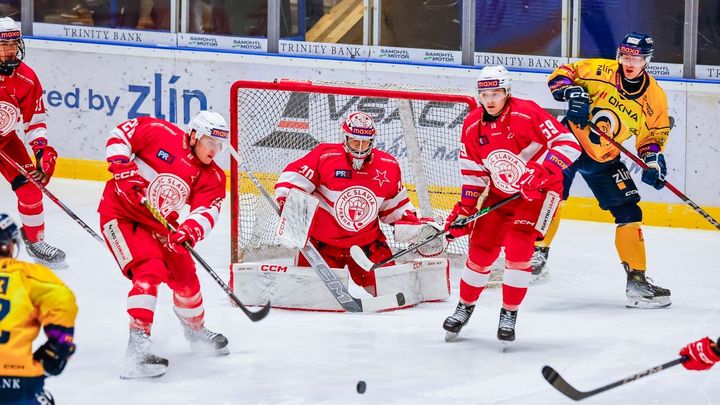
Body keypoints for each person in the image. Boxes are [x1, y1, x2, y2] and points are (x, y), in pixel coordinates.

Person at [442, 65, 581, 344]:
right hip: (500, 195)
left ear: (507, 92)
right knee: (480, 250)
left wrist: (540, 173)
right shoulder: (471, 125)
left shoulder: (526, 112)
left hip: (538, 194)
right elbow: (474, 174)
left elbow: (568, 144)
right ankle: (464, 307)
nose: (490, 99)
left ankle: (509, 313)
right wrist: (465, 213)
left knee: (519, 246)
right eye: (485, 93)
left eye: (496, 92)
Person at [536, 32, 672, 308]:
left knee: (630, 211)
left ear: (647, 60)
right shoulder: (599, 70)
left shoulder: (654, 97)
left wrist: (653, 162)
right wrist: (570, 91)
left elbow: (651, 139)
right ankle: (536, 254)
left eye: (636, 58)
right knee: (552, 194)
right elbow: (562, 73)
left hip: (605, 157)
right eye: (625, 56)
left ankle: (636, 281)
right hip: (569, 144)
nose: (629, 62)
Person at [97, 111, 231, 379]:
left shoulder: (213, 175)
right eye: (210, 142)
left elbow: (207, 210)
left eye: (220, 145)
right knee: (149, 271)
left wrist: (190, 228)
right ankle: (138, 349)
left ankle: (194, 329)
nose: (215, 151)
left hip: (161, 224)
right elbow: (120, 134)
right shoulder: (157, 131)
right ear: (193, 135)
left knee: (186, 279)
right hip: (120, 214)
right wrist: (122, 166)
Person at [274, 111, 441, 297]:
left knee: (394, 293)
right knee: (311, 296)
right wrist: (286, 201)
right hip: (322, 245)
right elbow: (294, 178)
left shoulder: (388, 165)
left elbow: (394, 208)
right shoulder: (325, 156)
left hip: (367, 245)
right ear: (345, 138)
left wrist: (416, 229)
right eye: (355, 141)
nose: (360, 148)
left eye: (366, 142)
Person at [0, 17, 67, 269]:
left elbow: (34, 121)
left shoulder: (27, 78)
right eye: (3, 46)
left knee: (30, 189)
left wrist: (41, 150)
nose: (10, 51)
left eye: (13, 44)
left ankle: (35, 241)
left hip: (6, 142)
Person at [0, 213, 77, 404]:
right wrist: (59, 346)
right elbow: (63, 303)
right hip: (16, 378)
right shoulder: (30, 275)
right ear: (9, 245)